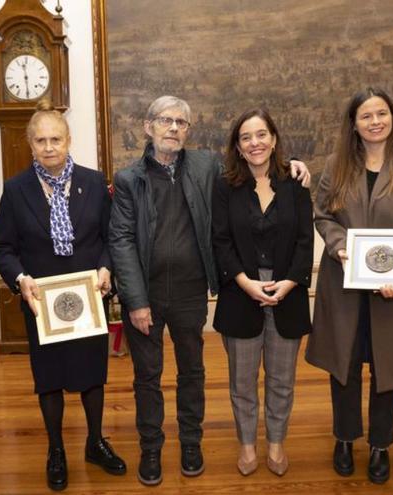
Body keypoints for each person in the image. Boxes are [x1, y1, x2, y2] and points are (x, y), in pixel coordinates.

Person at [109, 95, 309, 486]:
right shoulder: (129, 179)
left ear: (189, 130)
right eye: (165, 121)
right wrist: (135, 300)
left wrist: (295, 164)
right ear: (148, 127)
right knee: (148, 376)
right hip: (146, 293)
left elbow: (257, 162)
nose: (173, 129)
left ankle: (190, 443)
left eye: (181, 123)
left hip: (190, 291)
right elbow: (120, 241)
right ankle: (151, 448)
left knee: (192, 372)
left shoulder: (206, 167)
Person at [305, 88, 393, 484]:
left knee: (387, 366)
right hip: (344, 281)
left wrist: (389, 274)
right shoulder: (337, 164)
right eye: (366, 116)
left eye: (382, 113)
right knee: (343, 365)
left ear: (392, 118)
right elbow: (323, 215)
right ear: (354, 123)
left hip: (391, 288)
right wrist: (339, 246)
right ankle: (344, 438)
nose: (376, 121)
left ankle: (381, 445)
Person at [0, 101, 126, 491]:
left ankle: (96, 442)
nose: (49, 147)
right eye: (40, 140)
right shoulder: (16, 190)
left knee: (90, 374)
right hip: (41, 301)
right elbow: (1, 249)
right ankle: (56, 450)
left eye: (56, 139)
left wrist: (105, 269)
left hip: (89, 296)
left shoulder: (95, 182)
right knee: (49, 379)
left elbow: (110, 238)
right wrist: (20, 279)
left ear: (69, 141)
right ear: (30, 144)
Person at [211, 108, 312, 477]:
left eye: (261, 135)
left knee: (282, 380)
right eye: (246, 137)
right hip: (241, 293)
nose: (255, 143)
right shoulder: (225, 186)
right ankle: (248, 444)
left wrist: (288, 283)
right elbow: (220, 241)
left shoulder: (295, 183)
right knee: (242, 382)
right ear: (237, 147)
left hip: (288, 292)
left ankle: (276, 442)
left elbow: (305, 240)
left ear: (274, 138)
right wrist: (245, 282)